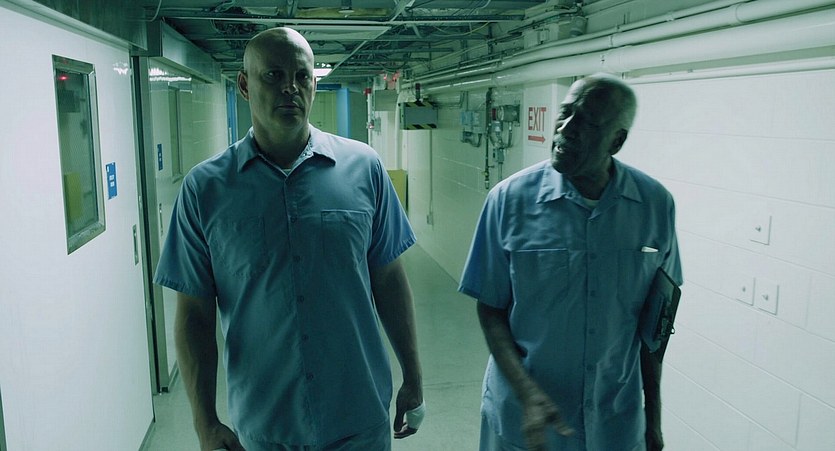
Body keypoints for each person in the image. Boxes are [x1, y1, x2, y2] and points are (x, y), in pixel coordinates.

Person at [154, 27, 424, 451]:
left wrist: (413, 375)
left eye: (301, 76)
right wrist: (205, 422)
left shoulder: (364, 168)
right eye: (274, 75)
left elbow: (389, 279)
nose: (290, 88)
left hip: (358, 415)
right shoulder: (206, 189)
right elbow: (194, 315)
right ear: (244, 85)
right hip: (266, 426)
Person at [459, 73, 683, 451]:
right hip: (524, 423)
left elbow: (654, 327)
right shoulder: (509, 200)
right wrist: (527, 393)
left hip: (615, 422)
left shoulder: (654, 205)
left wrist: (653, 419)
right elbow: (491, 309)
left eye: (588, 121)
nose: (565, 129)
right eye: (565, 113)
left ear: (617, 141)